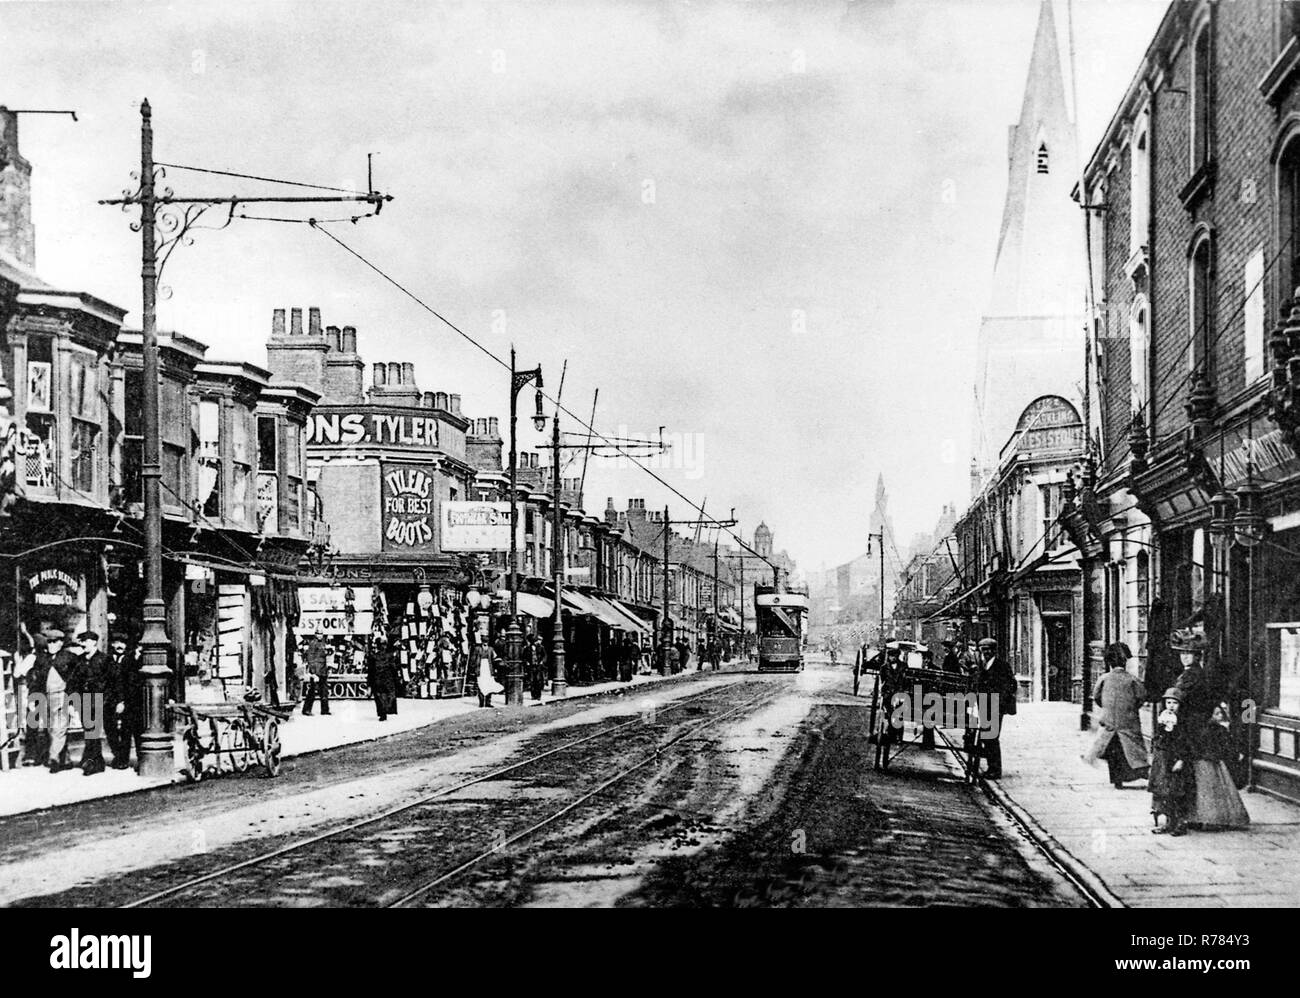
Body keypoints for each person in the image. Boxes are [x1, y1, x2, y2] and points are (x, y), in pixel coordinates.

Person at [1085, 643, 1149, 788]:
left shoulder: (1104, 678)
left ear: (1109, 663)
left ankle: (1117, 780)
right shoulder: (1132, 680)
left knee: (1114, 752)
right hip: (1128, 721)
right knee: (1131, 750)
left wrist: (1107, 708)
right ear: (1125, 662)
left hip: (1110, 722)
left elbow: (1096, 696)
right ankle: (1138, 773)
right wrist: (1131, 708)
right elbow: (1141, 697)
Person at [1187, 702, 1250, 830]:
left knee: (1208, 791)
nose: (1220, 715)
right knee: (1213, 790)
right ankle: (1214, 817)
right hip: (1210, 762)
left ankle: (1206, 818)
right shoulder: (1217, 729)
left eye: (1221, 713)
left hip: (1208, 761)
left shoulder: (1215, 729)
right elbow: (1226, 746)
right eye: (1217, 713)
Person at [25, 629, 75, 772]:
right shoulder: (42, 659)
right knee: (51, 729)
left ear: (61, 643)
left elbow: (75, 679)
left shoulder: (69, 657)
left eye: (54, 642)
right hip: (46, 696)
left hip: (62, 696)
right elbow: (35, 680)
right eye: (49, 642)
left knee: (59, 728)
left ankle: (54, 759)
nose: (51, 644)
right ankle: (65, 760)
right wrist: (33, 698)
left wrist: (71, 699)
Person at [968, 636, 1017, 780]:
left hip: (995, 707)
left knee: (992, 737)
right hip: (984, 705)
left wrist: (1000, 702)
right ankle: (991, 767)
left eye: (988, 650)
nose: (985, 652)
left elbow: (1011, 685)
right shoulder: (983, 665)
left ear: (994, 651)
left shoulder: (1002, 665)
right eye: (983, 650)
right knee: (986, 736)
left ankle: (995, 770)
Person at [1150, 687, 1192, 835]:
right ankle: (1168, 822)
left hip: (1175, 761)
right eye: (1168, 702)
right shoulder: (1164, 718)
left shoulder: (1183, 722)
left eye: (1175, 703)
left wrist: (1181, 759)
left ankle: (1180, 823)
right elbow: (1158, 738)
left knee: (1177, 792)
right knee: (1163, 793)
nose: (1171, 706)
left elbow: (1185, 743)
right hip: (1163, 761)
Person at [74, 631, 113, 776]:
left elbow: (113, 682)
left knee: (93, 732)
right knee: (89, 731)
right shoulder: (79, 660)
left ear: (94, 642)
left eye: (86, 641)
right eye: (82, 641)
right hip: (84, 700)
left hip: (98, 699)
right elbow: (74, 681)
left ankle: (94, 763)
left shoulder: (104, 659)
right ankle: (97, 761)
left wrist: (107, 700)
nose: (83, 644)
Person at [105, 635, 136, 769]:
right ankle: (117, 755)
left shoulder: (130, 661)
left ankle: (123, 759)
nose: (119, 646)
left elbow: (131, 683)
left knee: (125, 731)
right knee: (110, 730)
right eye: (117, 642)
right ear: (112, 644)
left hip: (126, 702)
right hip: (109, 701)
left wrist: (122, 701)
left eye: (123, 643)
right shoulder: (107, 660)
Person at [301, 633, 331, 716]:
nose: (320, 635)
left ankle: (325, 709)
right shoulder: (313, 643)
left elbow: (327, 654)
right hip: (316, 671)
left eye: (321, 634)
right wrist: (313, 673)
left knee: (324, 691)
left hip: (323, 670)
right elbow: (310, 659)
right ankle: (306, 709)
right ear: (315, 634)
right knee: (312, 691)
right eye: (318, 634)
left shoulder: (324, 642)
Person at [366, 639, 396, 721]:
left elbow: (370, 672)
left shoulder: (373, 657)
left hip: (377, 680)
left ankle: (382, 713)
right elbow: (393, 669)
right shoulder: (390, 656)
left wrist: (369, 684)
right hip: (387, 680)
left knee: (379, 697)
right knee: (387, 696)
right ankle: (386, 710)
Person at [473, 641, 503, 707]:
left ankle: (487, 702)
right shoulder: (477, 649)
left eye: (486, 640)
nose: (485, 642)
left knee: (489, 685)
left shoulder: (491, 649)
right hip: (480, 668)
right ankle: (481, 702)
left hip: (488, 668)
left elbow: (494, 658)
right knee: (481, 684)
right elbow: (473, 659)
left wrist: (496, 665)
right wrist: (474, 668)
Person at [524, 631, 548, 700]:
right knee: (532, 681)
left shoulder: (540, 647)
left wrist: (542, 662)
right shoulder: (527, 648)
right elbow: (524, 657)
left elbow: (545, 656)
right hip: (531, 666)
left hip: (538, 666)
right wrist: (527, 662)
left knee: (538, 681)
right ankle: (533, 695)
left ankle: (538, 695)